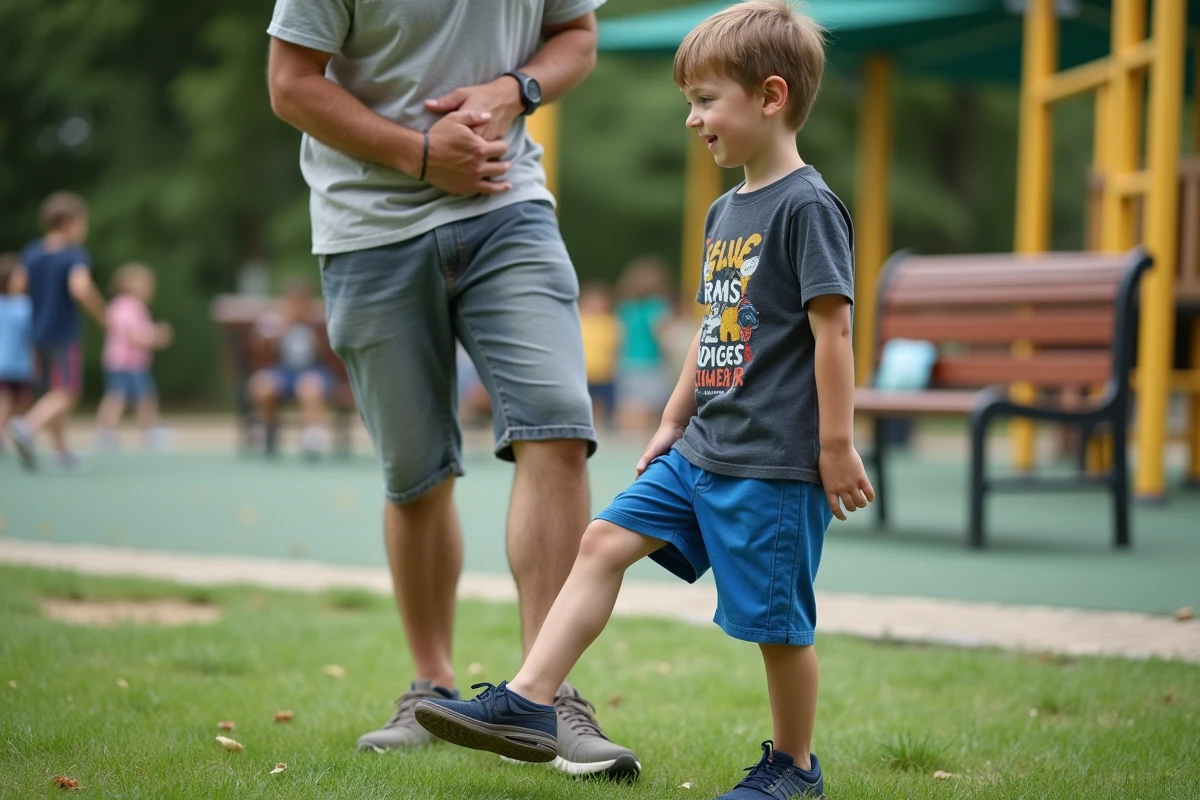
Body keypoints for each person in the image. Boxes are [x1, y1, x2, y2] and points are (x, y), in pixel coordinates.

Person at [411, 3, 875, 798]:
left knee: (777, 629)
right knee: (600, 542)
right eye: (689, 102)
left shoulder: (807, 207)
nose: (693, 119)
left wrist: (834, 447)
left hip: (772, 461)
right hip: (702, 451)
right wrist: (670, 418)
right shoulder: (726, 212)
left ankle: (794, 768)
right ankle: (529, 700)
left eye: (705, 100)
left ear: (769, 96)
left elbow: (833, 335)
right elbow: (713, 325)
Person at [265, 0, 639, 777]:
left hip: (509, 207)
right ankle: (430, 689)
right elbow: (291, 82)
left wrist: (515, 90)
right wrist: (416, 153)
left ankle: (545, 694)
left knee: (558, 426)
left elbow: (577, 35)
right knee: (416, 474)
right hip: (367, 230)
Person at [8, 192, 107, 471]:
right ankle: (28, 426)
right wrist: (103, 314)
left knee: (53, 390)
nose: (84, 230)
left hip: (35, 333)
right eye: (82, 223)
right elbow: (81, 288)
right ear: (66, 223)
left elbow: (17, 286)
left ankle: (61, 451)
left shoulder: (32, 252)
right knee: (68, 391)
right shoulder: (74, 255)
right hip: (63, 333)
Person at [246, 280, 331, 458]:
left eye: (301, 301)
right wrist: (283, 327)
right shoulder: (274, 321)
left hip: (312, 370)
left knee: (309, 386)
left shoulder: (319, 320)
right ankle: (269, 432)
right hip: (283, 371)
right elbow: (261, 348)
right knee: (262, 385)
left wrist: (312, 330)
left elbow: (328, 353)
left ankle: (313, 439)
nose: (297, 306)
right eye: (293, 301)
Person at [94, 263, 174, 452]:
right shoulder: (129, 306)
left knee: (129, 396)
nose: (149, 288)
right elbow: (133, 335)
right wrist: (157, 337)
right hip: (126, 363)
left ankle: (110, 432)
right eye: (145, 284)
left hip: (125, 362)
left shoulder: (121, 306)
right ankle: (142, 432)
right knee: (132, 397)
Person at [614, 256, 674, 435]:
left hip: (627, 363)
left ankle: (626, 442)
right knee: (649, 410)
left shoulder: (625, 308)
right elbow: (665, 338)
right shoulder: (658, 307)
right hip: (651, 363)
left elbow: (620, 338)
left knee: (629, 406)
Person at [0, 254, 34, 455]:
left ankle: (17, 435)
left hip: (16, 364)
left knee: (19, 401)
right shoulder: (24, 306)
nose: (24, 281)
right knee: (8, 402)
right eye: (19, 277)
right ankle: (18, 433)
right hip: (14, 363)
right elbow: (31, 334)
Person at [578, 282, 620, 429]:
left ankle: (600, 427)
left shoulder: (609, 322)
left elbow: (614, 347)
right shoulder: (579, 320)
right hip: (585, 372)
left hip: (604, 373)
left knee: (603, 404)